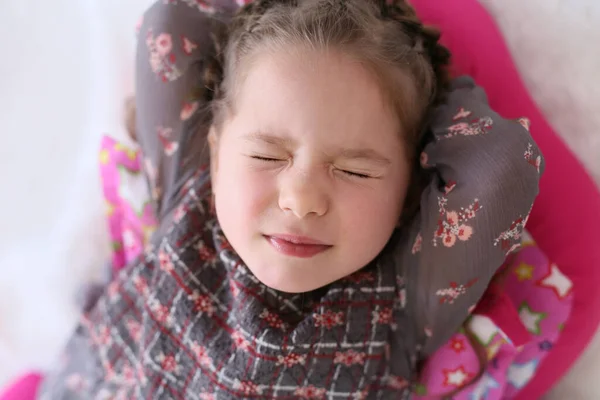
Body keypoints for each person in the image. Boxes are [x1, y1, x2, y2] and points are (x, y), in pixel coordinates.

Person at [38, 0, 542, 398]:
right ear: (216, 151)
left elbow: (504, 166)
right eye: (266, 157)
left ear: (411, 185)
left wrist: (423, 97)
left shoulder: (407, 302)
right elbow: (169, 24)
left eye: (354, 169)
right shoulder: (186, 188)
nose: (301, 200)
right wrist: (271, 24)